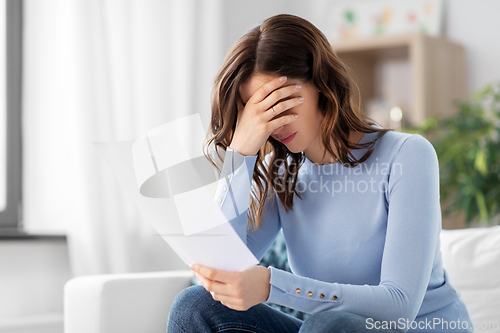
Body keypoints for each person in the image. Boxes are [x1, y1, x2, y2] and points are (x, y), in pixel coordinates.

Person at [167, 14, 473, 333]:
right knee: (195, 305)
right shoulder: (282, 173)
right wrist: (240, 153)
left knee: (331, 324)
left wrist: (273, 286)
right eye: (257, 113)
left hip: (415, 328)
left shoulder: (407, 154)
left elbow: (399, 305)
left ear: (320, 83)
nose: (273, 123)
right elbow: (217, 267)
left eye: (279, 104)